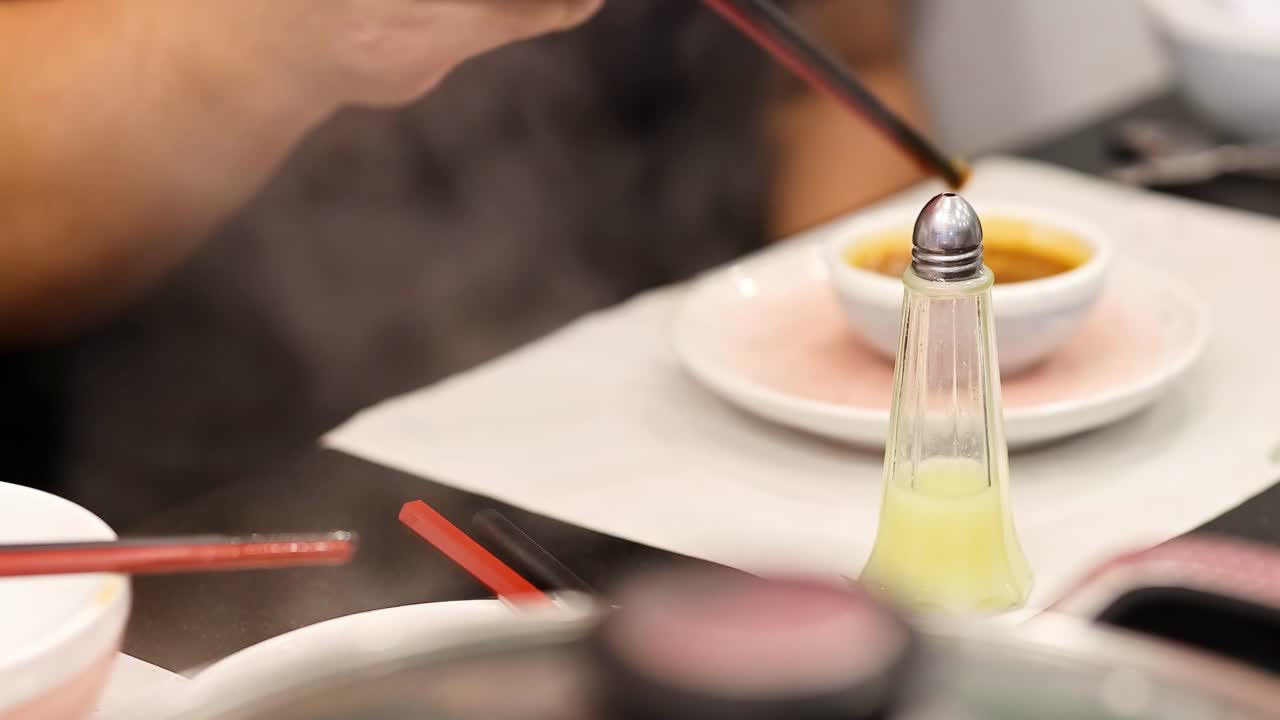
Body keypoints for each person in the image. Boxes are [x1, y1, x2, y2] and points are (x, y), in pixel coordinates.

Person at [1, 1, 928, 523]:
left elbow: (850, 76)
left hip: (712, 466)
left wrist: (840, 391)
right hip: (221, 514)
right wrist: (272, 42)